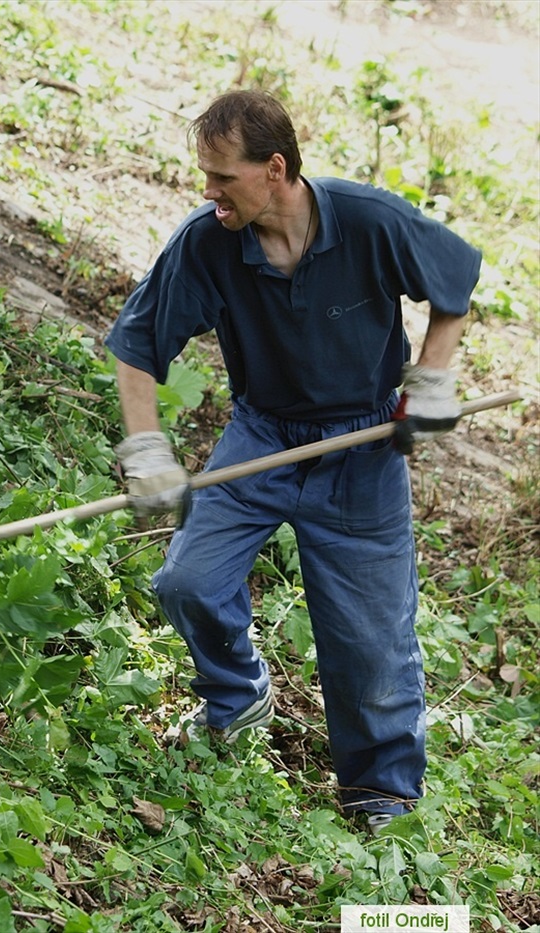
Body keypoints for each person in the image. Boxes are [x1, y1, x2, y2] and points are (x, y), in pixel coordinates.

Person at [105, 90, 481, 833]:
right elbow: (136, 345)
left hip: (363, 447)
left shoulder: (370, 221)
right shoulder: (207, 242)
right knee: (188, 580)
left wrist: (433, 377)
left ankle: (383, 797)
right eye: (204, 177)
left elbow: (456, 280)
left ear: (274, 168)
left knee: (371, 645)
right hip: (263, 437)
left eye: (222, 178)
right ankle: (237, 693)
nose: (207, 193)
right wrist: (146, 446)